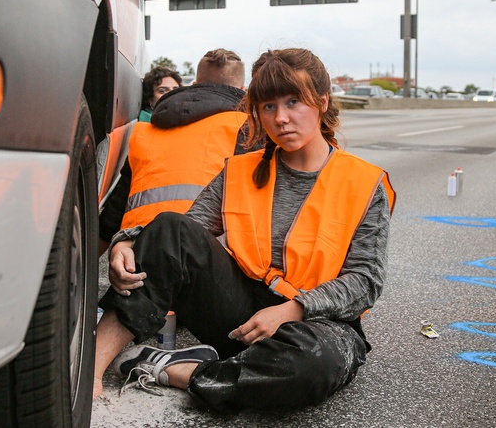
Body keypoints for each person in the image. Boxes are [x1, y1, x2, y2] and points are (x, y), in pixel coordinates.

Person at [93, 48, 396, 413]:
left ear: (322, 101)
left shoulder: (364, 182)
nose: (281, 118)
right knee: (169, 228)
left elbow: (365, 280)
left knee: (309, 367)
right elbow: (186, 229)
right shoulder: (240, 170)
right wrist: (128, 239)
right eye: (268, 107)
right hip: (242, 314)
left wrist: (293, 310)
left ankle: (182, 370)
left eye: (293, 102)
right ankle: (92, 366)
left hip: (316, 325)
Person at [99, 49, 249, 252]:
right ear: (242, 90)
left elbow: (113, 215)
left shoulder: (146, 131)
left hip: (140, 254)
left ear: (194, 85)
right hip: (209, 256)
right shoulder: (248, 129)